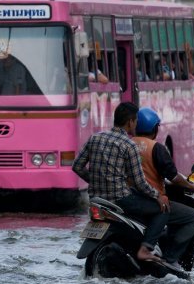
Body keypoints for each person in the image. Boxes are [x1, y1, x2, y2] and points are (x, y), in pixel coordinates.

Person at [72, 102, 173, 265]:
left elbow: (77, 166)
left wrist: (96, 180)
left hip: (97, 200)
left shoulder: (95, 138)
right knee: (164, 209)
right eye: (136, 122)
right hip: (121, 201)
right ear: (131, 122)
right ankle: (145, 249)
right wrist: (159, 196)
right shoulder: (129, 145)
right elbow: (140, 183)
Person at [132, 108, 194, 271]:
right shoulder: (156, 148)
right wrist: (193, 186)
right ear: (155, 128)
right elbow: (174, 177)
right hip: (152, 201)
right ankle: (170, 259)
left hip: (129, 200)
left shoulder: (127, 144)